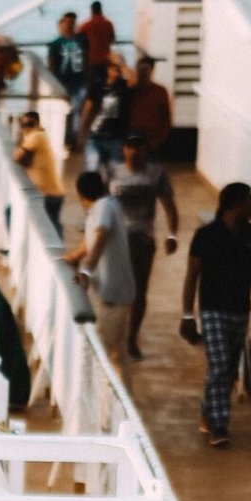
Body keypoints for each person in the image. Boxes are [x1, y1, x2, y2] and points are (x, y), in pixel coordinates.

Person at [181, 182, 251, 447]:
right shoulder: (205, 235)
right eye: (250, 201)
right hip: (213, 311)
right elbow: (192, 275)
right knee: (219, 366)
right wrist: (187, 315)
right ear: (236, 204)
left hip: (240, 310)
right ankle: (219, 426)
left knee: (228, 370)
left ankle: (209, 409)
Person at [108, 132, 179, 351]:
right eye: (130, 147)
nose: (134, 151)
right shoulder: (112, 172)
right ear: (124, 150)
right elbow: (100, 204)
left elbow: (169, 206)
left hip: (143, 239)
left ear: (145, 150)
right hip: (116, 239)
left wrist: (172, 234)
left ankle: (132, 337)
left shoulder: (156, 174)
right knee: (116, 289)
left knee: (139, 291)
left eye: (139, 147)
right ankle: (116, 335)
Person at [64, 168, 138, 358]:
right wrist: (74, 257)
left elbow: (100, 238)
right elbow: (89, 242)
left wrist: (86, 269)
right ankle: (123, 388)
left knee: (101, 354)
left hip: (114, 295)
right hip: (117, 292)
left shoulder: (103, 207)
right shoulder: (106, 206)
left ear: (81, 195)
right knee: (117, 354)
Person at [14, 109, 64, 232]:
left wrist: (21, 134)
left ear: (37, 123)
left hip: (47, 194)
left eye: (29, 124)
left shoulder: (36, 136)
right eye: (23, 124)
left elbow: (17, 157)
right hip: (52, 192)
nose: (26, 128)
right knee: (53, 226)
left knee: (49, 228)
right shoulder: (41, 135)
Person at [83, 55, 130, 173]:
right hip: (96, 135)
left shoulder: (124, 86)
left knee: (115, 170)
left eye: (118, 69)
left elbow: (134, 80)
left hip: (115, 137)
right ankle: (93, 190)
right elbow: (87, 108)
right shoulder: (97, 85)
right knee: (92, 168)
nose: (116, 71)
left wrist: (120, 63)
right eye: (113, 68)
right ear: (107, 69)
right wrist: (82, 130)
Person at [47, 11, 88, 142]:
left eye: (72, 22)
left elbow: (87, 59)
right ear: (63, 22)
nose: (70, 25)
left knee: (76, 110)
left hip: (79, 81)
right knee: (64, 109)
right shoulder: (56, 44)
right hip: (63, 81)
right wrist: (53, 82)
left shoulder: (82, 40)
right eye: (68, 22)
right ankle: (62, 136)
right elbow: (52, 64)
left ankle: (72, 138)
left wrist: (89, 76)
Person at [125, 53, 174, 153]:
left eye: (145, 70)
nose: (142, 73)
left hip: (152, 140)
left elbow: (166, 118)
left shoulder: (160, 91)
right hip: (132, 140)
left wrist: (158, 139)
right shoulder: (129, 91)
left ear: (151, 71)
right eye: (140, 70)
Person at [81, 0, 118, 80]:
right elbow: (112, 39)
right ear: (101, 9)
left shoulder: (86, 26)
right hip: (105, 59)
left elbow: (79, 41)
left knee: (92, 84)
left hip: (91, 60)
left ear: (91, 10)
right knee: (104, 83)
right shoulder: (108, 24)